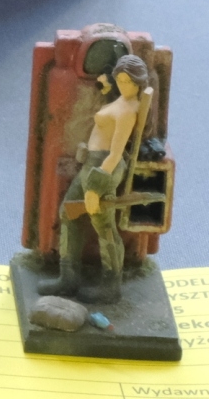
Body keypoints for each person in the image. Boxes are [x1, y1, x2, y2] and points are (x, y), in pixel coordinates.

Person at [41, 53, 149, 303]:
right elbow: (112, 111)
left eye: (128, 82)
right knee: (68, 213)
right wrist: (108, 89)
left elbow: (115, 152)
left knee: (104, 227)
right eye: (120, 80)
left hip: (103, 167)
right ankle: (68, 278)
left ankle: (111, 286)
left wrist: (95, 187)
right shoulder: (122, 100)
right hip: (92, 163)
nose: (123, 85)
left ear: (138, 82)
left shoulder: (128, 111)